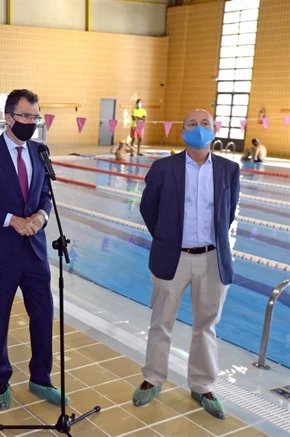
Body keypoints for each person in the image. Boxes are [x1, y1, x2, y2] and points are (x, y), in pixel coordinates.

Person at [0, 89, 67, 410]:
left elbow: (45, 195)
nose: (32, 123)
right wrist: (11, 220)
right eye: (25, 116)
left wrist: (41, 215)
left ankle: (40, 376)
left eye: (35, 117)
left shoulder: (40, 151)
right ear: (8, 118)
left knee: (43, 314)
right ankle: (0, 378)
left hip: (34, 250)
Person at [133, 109, 240, 420]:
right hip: (173, 256)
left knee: (206, 325)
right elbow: (147, 208)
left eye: (204, 123)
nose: (198, 128)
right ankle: (153, 378)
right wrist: (166, 238)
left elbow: (228, 213)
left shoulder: (228, 170)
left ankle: (202, 385)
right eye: (191, 124)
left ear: (214, 129)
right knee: (161, 322)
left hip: (211, 257)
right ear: (182, 133)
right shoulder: (164, 168)